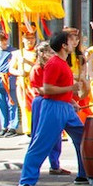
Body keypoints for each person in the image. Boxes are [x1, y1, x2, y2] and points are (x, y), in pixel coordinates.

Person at [17, 30, 89, 186]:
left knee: (83, 138)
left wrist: (71, 100)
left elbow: (59, 88)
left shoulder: (62, 63)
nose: (74, 43)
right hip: (53, 107)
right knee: (42, 143)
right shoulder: (54, 63)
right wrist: (71, 88)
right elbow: (48, 89)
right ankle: (26, 181)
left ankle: (84, 174)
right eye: (71, 40)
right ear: (64, 45)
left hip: (65, 107)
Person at [27, 42, 69, 175]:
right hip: (42, 101)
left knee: (56, 134)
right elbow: (40, 88)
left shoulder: (53, 66)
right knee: (39, 136)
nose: (53, 55)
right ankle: (31, 168)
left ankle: (55, 164)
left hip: (55, 100)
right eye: (50, 52)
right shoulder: (37, 69)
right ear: (42, 54)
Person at [9, 26, 37, 136]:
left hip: (35, 84)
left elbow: (42, 66)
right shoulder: (17, 53)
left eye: (32, 38)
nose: (30, 40)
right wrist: (19, 72)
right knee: (25, 105)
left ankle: (36, 127)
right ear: (23, 40)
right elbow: (11, 69)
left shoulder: (38, 52)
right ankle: (28, 130)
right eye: (27, 38)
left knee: (36, 106)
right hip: (22, 84)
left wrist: (28, 62)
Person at [0, 31, 19, 138]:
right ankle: (4, 126)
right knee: (1, 105)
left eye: (5, 41)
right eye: (2, 42)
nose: (4, 44)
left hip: (10, 79)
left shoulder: (13, 51)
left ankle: (13, 126)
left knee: (12, 103)